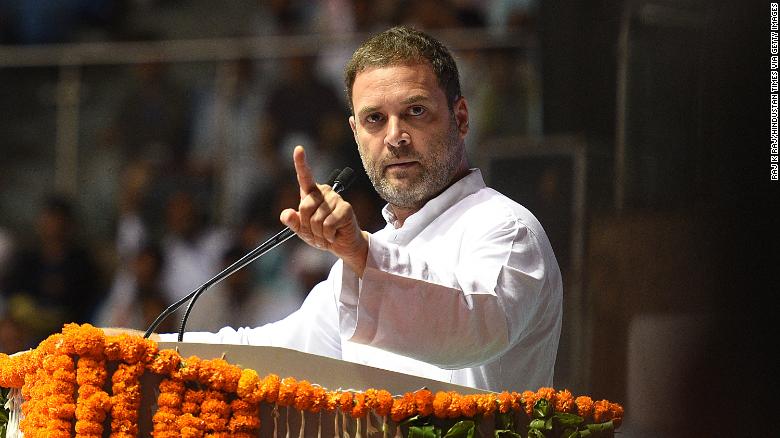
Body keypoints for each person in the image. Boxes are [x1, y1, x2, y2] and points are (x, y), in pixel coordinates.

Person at [158, 26, 562, 392]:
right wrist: (133, 346)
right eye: (374, 119)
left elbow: (475, 330)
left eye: (415, 112)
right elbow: (271, 354)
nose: (395, 137)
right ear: (355, 132)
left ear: (460, 117)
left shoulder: (505, 228)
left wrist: (362, 254)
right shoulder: (366, 259)